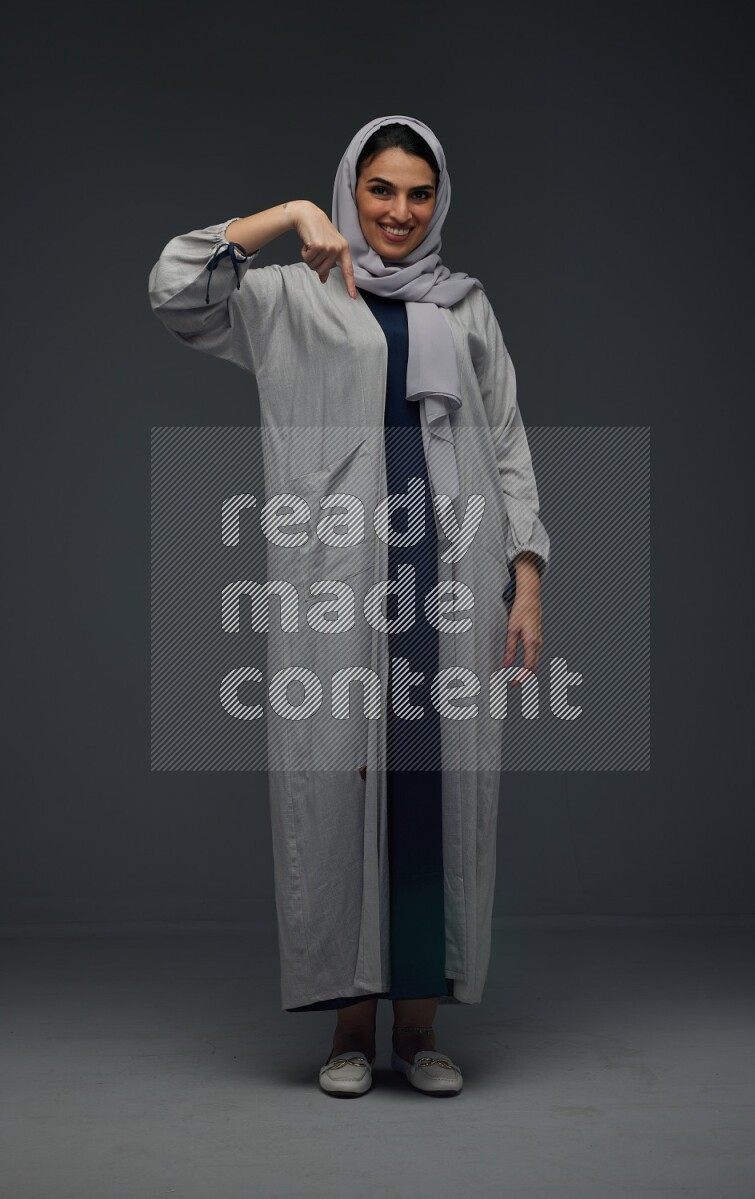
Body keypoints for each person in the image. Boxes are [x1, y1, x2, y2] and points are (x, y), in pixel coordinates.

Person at [148, 114, 551, 1098]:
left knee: (434, 791)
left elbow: (504, 436)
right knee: (335, 788)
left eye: (418, 193)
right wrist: (284, 215)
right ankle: (345, 1022)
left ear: (437, 199)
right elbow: (173, 286)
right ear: (350, 190)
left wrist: (528, 575)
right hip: (338, 580)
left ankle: (417, 1027)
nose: (399, 212)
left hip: (449, 576)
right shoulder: (291, 297)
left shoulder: (463, 306)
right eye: (380, 190)